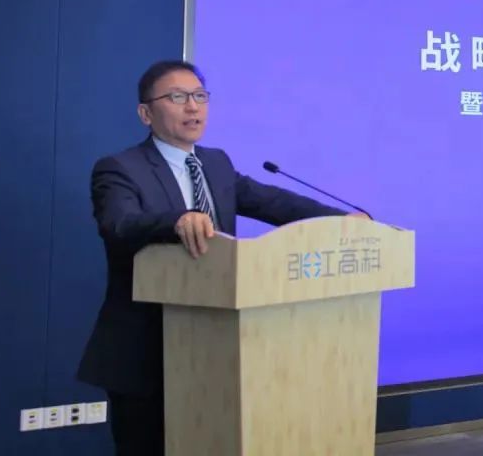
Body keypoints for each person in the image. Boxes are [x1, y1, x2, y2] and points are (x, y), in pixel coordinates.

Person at [77, 60, 360, 455]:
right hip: (146, 349)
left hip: (217, 347)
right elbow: (119, 224)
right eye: (177, 97)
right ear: (145, 113)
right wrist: (177, 220)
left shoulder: (216, 163)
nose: (192, 106)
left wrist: (341, 220)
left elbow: (272, 202)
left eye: (199, 96)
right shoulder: (120, 169)